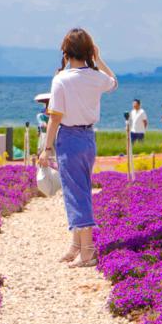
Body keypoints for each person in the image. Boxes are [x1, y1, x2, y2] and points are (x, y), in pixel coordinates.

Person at [39, 28, 117, 268]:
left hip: (69, 139)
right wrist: (99, 58)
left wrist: (46, 148)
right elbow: (113, 83)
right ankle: (76, 245)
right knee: (81, 189)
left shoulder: (61, 79)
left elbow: (55, 117)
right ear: (89, 51)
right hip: (88, 139)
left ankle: (87, 252)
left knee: (76, 194)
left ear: (65, 51)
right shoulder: (95, 76)